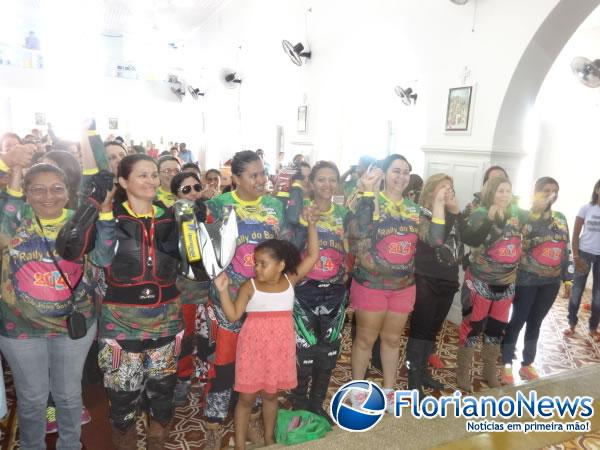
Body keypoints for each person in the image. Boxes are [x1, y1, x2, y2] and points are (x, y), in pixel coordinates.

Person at [57, 154, 208, 449]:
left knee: (163, 390)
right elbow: (101, 258)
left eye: (154, 174)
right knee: (123, 393)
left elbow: (194, 263)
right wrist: (102, 213)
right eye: (143, 175)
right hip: (121, 323)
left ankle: (157, 438)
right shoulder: (111, 216)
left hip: (167, 318)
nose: (152, 180)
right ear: (123, 181)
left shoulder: (172, 214)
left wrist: (194, 226)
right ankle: (124, 439)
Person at [0, 163, 97, 449]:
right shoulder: (16, 220)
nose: (48, 196)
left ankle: (71, 445)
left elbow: (102, 257)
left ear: (68, 192)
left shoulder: (81, 223)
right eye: (37, 189)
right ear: (26, 194)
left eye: (57, 188)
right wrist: (14, 180)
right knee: (32, 398)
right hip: (19, 328)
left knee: (68, 395)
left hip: (73, 326)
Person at [347, 154, 446, 412]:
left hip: (403, 286)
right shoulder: (368, 200)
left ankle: (389, 391)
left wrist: (437, 203)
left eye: (406, 172)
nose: (401, 177)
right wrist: (369, 193)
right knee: (365, 341)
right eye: (396, 171)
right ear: (383, 173)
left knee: (392, 341)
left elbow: (435, 240)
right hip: (371, 285)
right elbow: (360, 231)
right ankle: (358, 390)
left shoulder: (414, 209)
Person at [203, 150, 284, 450]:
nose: (261, 180)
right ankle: (214, 422)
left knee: (259, 367)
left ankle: (249, 421)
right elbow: (206, 250)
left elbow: (283, 248)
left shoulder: (276, 206)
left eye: (263, 173)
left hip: (263, 303)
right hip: (229, 299)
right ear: (235, 178)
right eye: (253, 175)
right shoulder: (219, 205)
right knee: (225, 366)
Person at [215, 215, 319, 449]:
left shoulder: (290, 280)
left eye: (263, 263)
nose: (256, 267)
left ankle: (270, 439)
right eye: (255, 263)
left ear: (281, 265)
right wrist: (223, 291)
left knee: (271, 395)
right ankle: (240, 444)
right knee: (246, 398)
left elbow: (312, 256)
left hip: (279, 348)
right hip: (253, 347)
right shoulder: (249, 286)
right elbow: (233, 315)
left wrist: (312, 225)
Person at [456, 177, 549, 391]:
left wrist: (542, 205)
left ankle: (489, 371)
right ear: (490, 192)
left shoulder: (518, 214)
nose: (505, 194)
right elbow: (470, 239)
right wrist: (489, 219)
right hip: (480, 282)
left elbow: (536, 223)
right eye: (500, 191)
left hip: (507, 283)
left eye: (508, 190)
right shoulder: (480, 213)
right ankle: (462, 372)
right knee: (472, 328)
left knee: (496, 330)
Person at [284, 161, 349, 420]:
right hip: (304, 290)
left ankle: (317, 402)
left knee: (329, 351)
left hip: (334, 291)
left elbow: (352, 245)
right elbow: (289, 248)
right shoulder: (300, 212)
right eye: (321, 179)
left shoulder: (344, 213)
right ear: (312, 183)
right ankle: (298, 403)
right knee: (305, 351)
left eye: (332, 179)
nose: (327, 185)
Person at [501, 177, 573, 383]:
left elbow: (565, 249)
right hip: (526, 278)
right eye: (546, 190)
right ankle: (506, 363)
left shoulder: (560, 217)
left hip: (551, 282)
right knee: (518, 320)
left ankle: (527, 364)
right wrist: (536, 210)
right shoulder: (525, 215)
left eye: (554, 190)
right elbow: (521, 235)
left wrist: (568, 279)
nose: (551, 194)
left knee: (536, 322)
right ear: (536, 192)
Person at [406, 174, 463, 397]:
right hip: (426, 277)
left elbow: (464, 239)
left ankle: (423, 372)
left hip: (448, 279)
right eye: (443, 188)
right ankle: (413, 377)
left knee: (433, 329)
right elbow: (435, 240)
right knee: (420, 329)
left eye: (451, 187)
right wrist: (441, 207)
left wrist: (456, 212)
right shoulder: (420, 215)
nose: (448, 191)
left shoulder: (454, 214)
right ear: (431, 192)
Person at [169, 171, 211, 406]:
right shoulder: (174, 212)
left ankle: (207, 383)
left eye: (197, 187)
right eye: (186, 189)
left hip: (211, 291)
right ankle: (183, 381)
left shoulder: (208, 211)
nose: (193, 193)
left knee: (208, 340)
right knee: (185, 340)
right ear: (176, 194)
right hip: (184, 291)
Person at [564, 179, 600, 338]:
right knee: (577, 290)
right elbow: (575, 234)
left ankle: (593, 327)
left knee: (598, 295)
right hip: (584, 253)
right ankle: (571, 323)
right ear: (597, 190)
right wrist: (576, 255)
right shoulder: (586, 208)